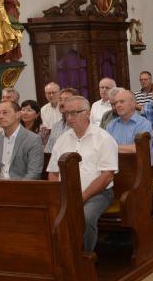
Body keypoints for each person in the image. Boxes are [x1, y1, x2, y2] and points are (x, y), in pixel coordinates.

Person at [46, 96, 118, 252]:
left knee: (85, 216)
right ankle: (57, 256)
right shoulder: (62, 139)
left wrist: (81, 197)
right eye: (67, 114)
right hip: (65, 194)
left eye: (75, 113)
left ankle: (84, 257)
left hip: (98, 194)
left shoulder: (104, 139)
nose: (70, 118)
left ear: (87, 113)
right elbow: (52, 173)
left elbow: (107, 176)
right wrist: (57, 196)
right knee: (47, 215)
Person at [0, 101, 44, 180]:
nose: (0, 117)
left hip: (21, 188)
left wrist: (14, 190)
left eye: (5, 113)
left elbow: (34, 174)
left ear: (18, 115)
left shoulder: (33, 139)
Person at [105, 87, 153, 160]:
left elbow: (138, 149)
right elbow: (105, 148)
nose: (118, 105)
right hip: (115, 168)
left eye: (122, 101)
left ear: (133, 103)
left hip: (139, 168)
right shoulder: (111, 125)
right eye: (116, 103)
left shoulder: (143, 124)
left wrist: (113, 147)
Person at [45, 87, 80, 153]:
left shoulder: (81, 124)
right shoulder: (55, 126)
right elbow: (48, 151)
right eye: (60, 100)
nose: (62, 103)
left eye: (66, 100)